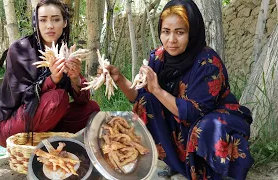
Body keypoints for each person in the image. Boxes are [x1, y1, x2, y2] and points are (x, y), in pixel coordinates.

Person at [99, 0, 254, 179]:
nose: (171, 40)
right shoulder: (158, 57)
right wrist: (119, 78)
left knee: (205, 127)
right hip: (180, 123)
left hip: (211, 123)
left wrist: (157, 90)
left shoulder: (208, 63)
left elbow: (194, 113)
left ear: (192, 33)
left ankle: (214, 173)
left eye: (179, 32)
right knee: (146, 103)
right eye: (166, 32)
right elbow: (138, 97)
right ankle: (179, 165)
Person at [0, 0, 100, 148]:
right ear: (36, 23)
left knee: (92, 110)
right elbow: (22, 98)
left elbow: (83, 100)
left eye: (55, 19)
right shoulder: (20, 49)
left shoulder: (66, 51)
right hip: (9, 124)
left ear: (65, 22)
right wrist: (52, 79)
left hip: (46, 118)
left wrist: (75, 78)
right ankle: (49, 144)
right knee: (58, 98)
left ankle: (49, 140)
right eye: (43, 20)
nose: (49, 25)